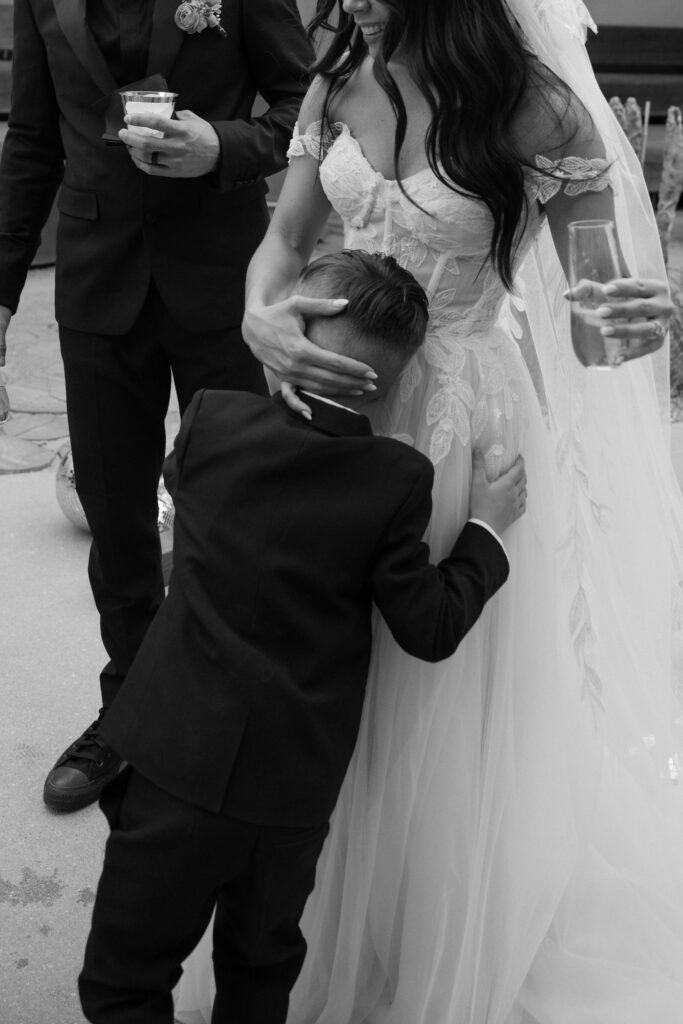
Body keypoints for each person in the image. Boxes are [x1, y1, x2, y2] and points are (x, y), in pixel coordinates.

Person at [174, 0, 683, 1022]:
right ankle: (290, 912)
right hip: (320, 414)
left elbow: (596, 330)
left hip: (454, 432)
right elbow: (280, 245)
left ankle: (418, 926)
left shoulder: (533, 110)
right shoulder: (337, 80)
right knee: (314, 665)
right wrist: (259, 318)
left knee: (419, 683)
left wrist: (630, 314)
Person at [78, 249, 526, 1024]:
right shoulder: (396, 479)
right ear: (386, 381)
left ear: (297, 332)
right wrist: (486, 526)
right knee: (259, 973)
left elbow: (180, 496)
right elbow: (428, 627)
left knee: (123, 979)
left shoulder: (214, 418)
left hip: (168, 763)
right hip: (289, 794)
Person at [0, 0, 313, 811]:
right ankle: (127, 719)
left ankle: (229, 719)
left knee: (234, 518)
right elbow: (32, 139)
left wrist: (223, 145)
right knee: (116, 519)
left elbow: (306, 111)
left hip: (221, 285)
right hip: (98, 285)